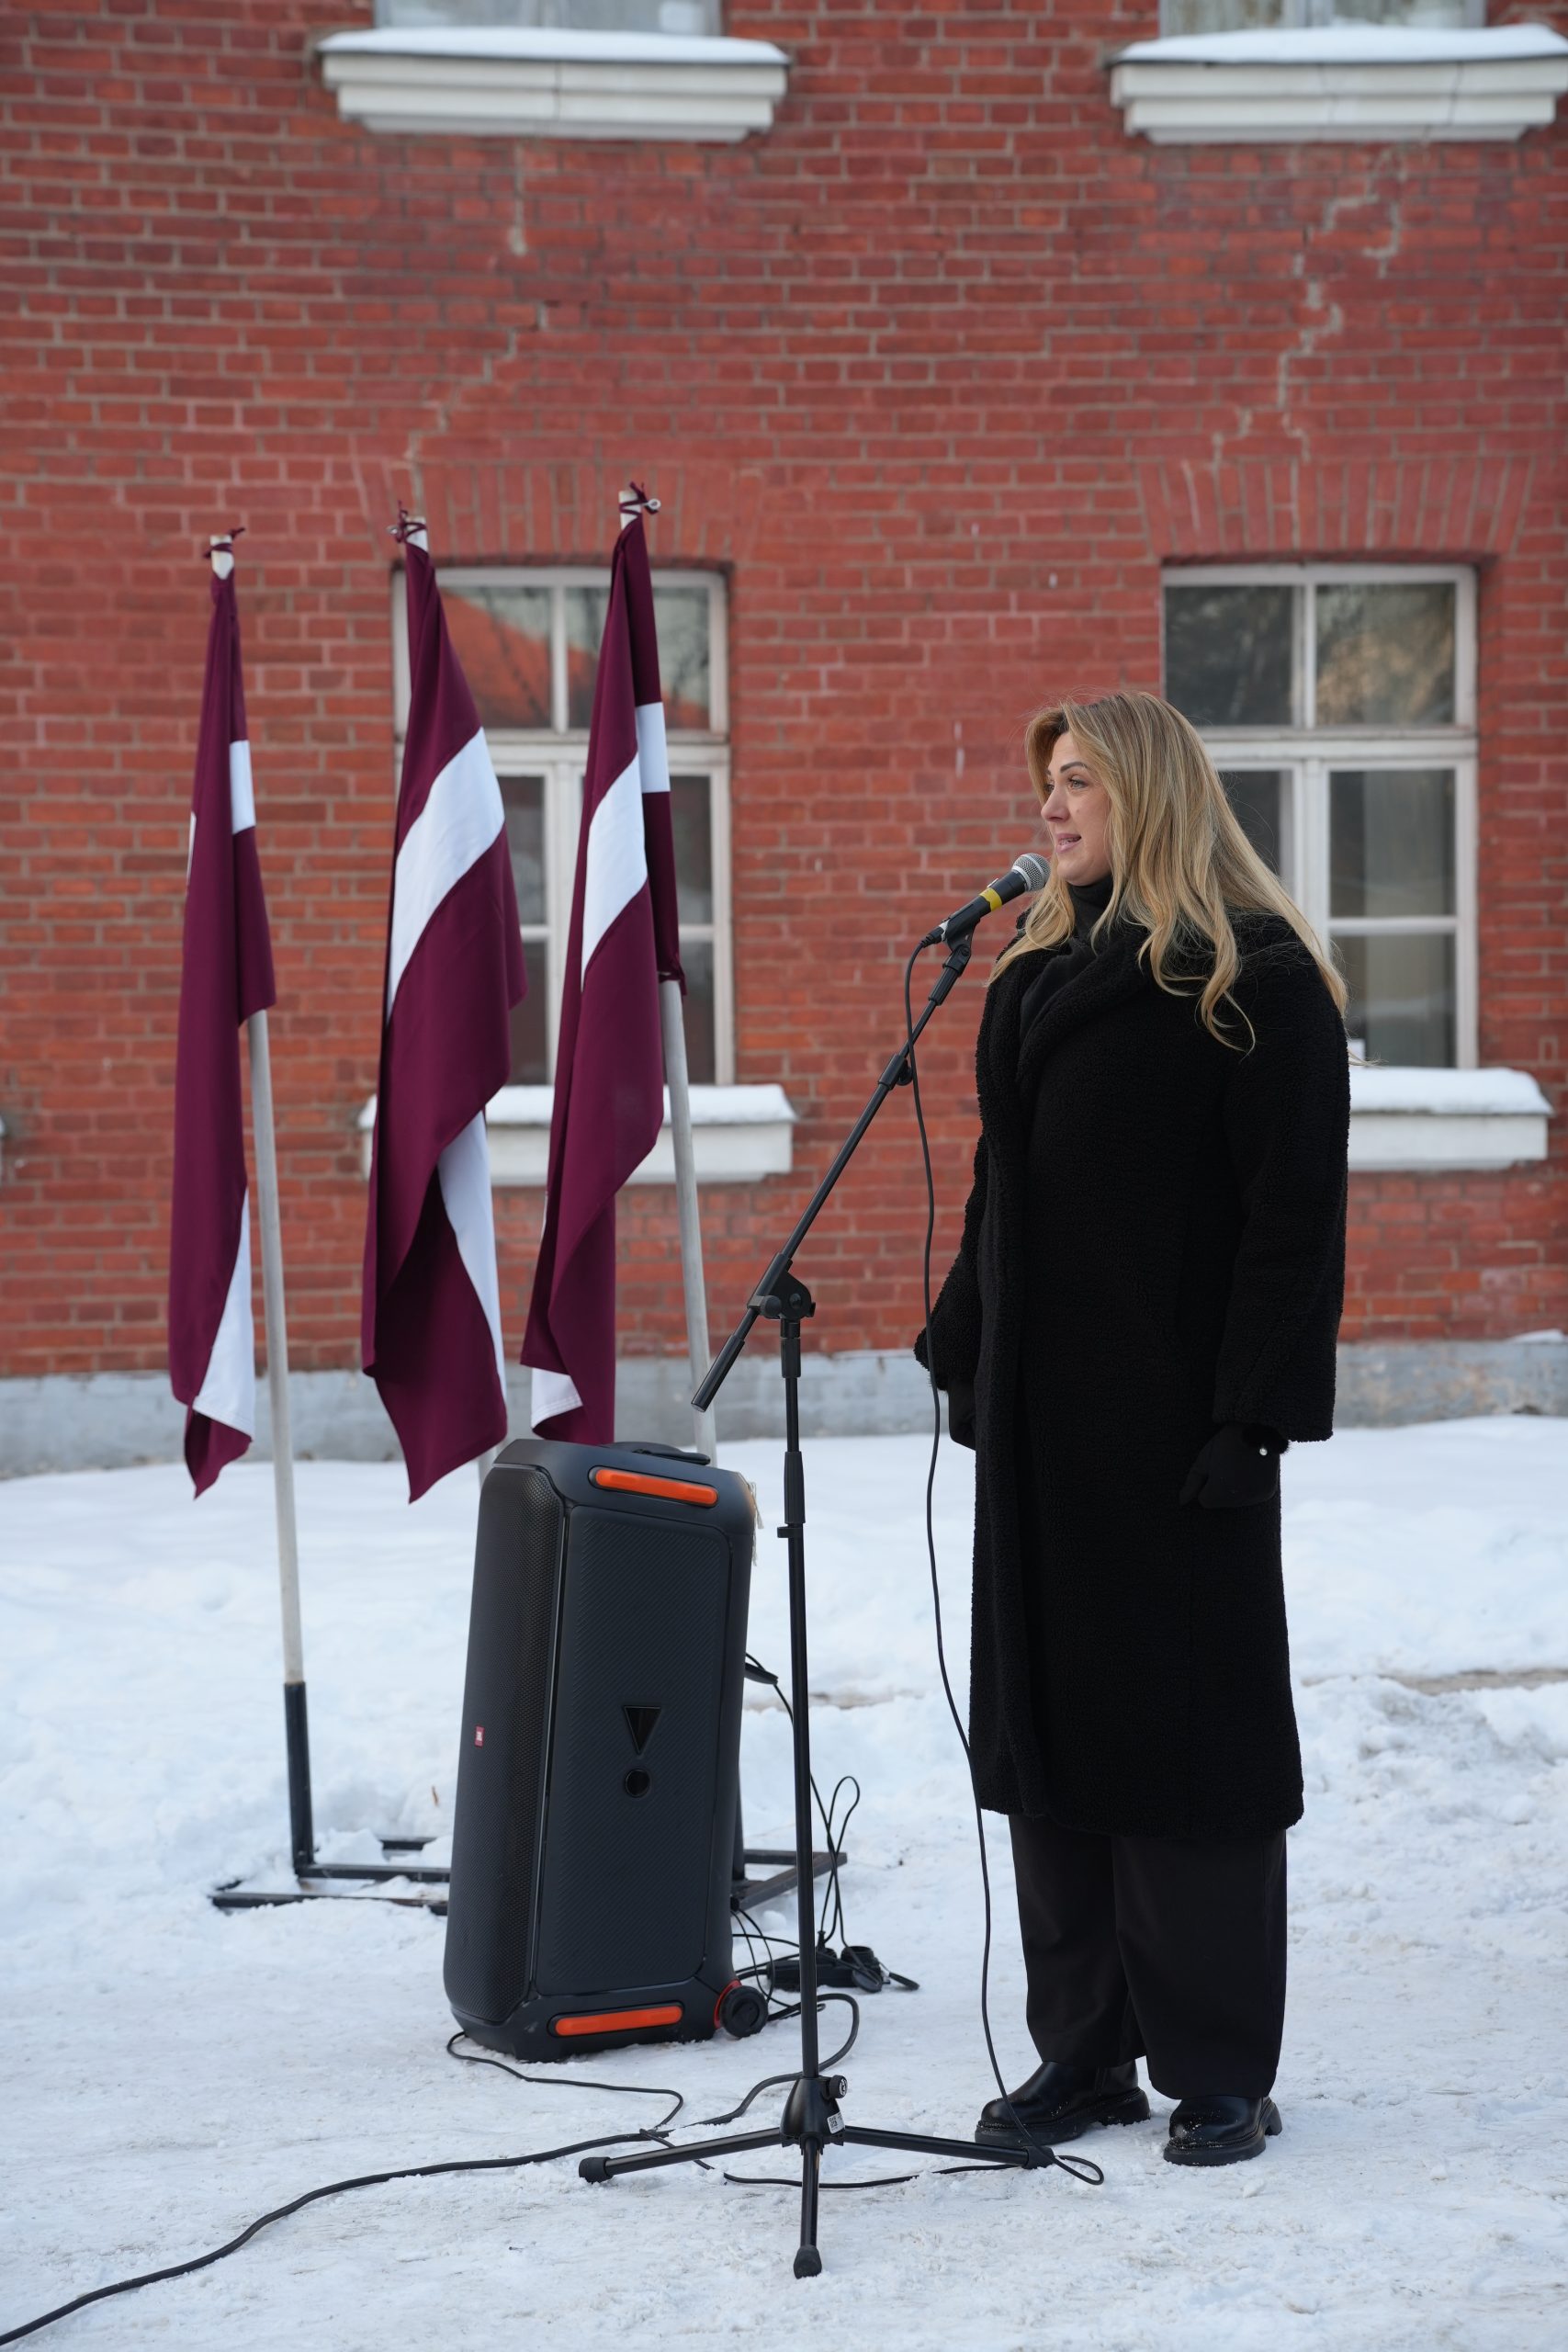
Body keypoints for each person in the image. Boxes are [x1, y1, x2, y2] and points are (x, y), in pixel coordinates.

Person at [917, 691, 1350, 2168]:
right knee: (1053, 1744)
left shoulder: (1254, 979)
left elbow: (1294, 1220)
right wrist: (965, 1343)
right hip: (1045, 1438)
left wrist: (1256, 1418)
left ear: (1151, 793)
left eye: (1081, 781)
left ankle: (1220, 2066)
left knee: (1189, 1753)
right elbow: (1005, 1186)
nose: (1052, 805)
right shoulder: (1036, 972)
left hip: (1179, 1443)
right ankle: (1086, 2052)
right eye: (1048, 780)